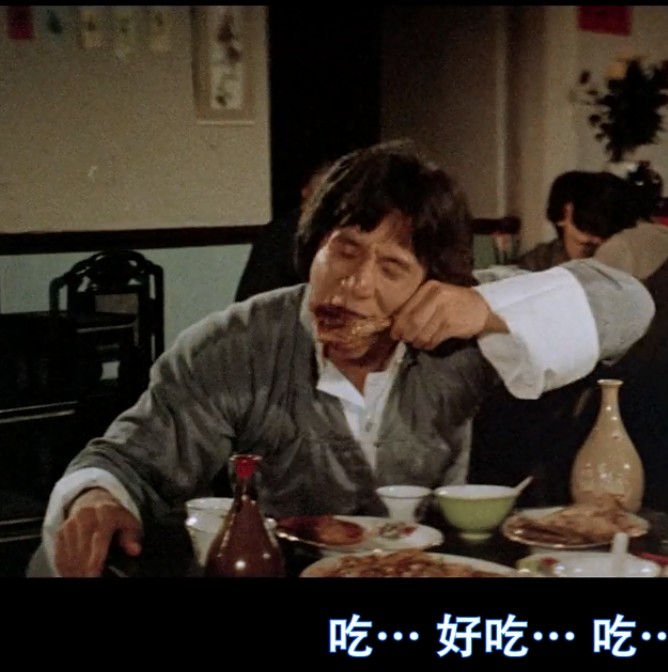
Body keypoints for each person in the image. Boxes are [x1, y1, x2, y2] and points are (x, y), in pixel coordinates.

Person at [36, 141, 654, 577]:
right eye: (345, 251)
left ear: (431, 284)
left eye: (392, 268)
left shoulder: (466, 317)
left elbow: (627, 306)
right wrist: (96, 499)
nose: (354, 286)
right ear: (313, 247)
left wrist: (487, 311)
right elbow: (125, 460)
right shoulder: (236, 344)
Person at [234, 161, 333, 301]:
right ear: (305, 191)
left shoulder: (343, 232)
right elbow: (256, 295)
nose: (326, 198)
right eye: (321, 190)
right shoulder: (279, 235)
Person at [516, 170, 639, 272]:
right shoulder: (536, 264)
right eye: (591, 224)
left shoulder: (622, 257)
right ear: (565, 212)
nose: (598, 239)